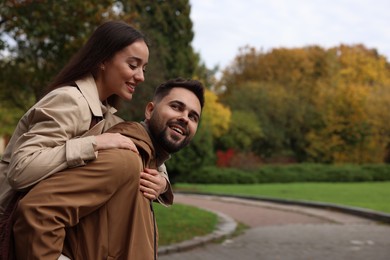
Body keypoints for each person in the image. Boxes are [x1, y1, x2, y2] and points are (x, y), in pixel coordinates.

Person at [0, 21, 172, 259]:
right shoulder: (69, 100)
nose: (141, 76)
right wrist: (94, 144)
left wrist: (162, 182)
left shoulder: (104, 114)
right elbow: (20, 170)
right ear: (102, 60)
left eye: (144, 68)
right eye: (133, 65)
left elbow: (143, 141)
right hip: (12, 234)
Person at [13, 78, 205, 260]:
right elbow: (37, 212)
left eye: (193, 116)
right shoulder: (124, 158)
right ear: (149, 110)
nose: (184, 118)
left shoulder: (147, 162)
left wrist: (164, 184)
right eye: (176, 107)